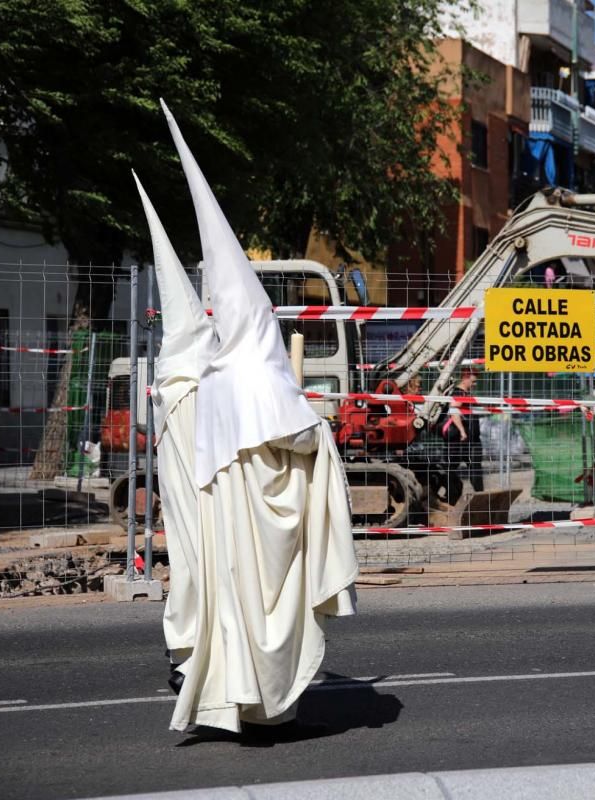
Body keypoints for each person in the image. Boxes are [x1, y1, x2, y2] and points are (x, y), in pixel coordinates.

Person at [162, 100, 358, 734]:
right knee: (269, 612)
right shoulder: (256, 374)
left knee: (231, 609)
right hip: (264, 534)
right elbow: (298, 439)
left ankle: (235, 698)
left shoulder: (216, 382)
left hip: (228, 530)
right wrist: (319, 430)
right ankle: (272, 705)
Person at [131, 172, 217, 693]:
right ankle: (194, 656)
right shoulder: (194, 385)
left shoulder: (168, 381)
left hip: (187, 498)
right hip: (202, 495)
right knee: (199, 569)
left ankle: (185, 653)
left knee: (188, 566)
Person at [442, 367, 484, 501]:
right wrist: (462, 431)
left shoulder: (465, 394)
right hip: (461, 440)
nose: (475, 384)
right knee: (451, 468)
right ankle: (450, 497)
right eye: (473, 381)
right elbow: (454, 411)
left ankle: (480, 498)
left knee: (474, 469)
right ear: (466, 377)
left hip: (470, 439)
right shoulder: (459, 393)